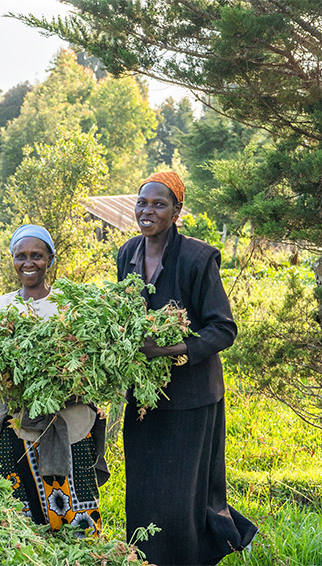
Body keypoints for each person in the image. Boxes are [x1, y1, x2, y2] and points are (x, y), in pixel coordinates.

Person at [117, 171, 257, 565]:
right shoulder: (127, 253)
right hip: (145, 398)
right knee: (144, 491)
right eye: (142, 202)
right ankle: (145, 559)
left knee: (183, 496)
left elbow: (223, 328)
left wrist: (169, 348)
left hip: (193, 397)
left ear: (176, 211)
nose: (148, 210)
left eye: (159, 204)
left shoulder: (198, 257)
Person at [0, 225, 109, 533]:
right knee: (18, 501)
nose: (29, 263)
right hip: (17, 418)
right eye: (20, 256)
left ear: (51, 258)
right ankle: (28, 548)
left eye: (37, 255)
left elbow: (90, 358)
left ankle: (79, 548)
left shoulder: (71, 303)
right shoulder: (0, 306)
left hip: (68, 419)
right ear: (11, 258)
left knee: (73, 497)